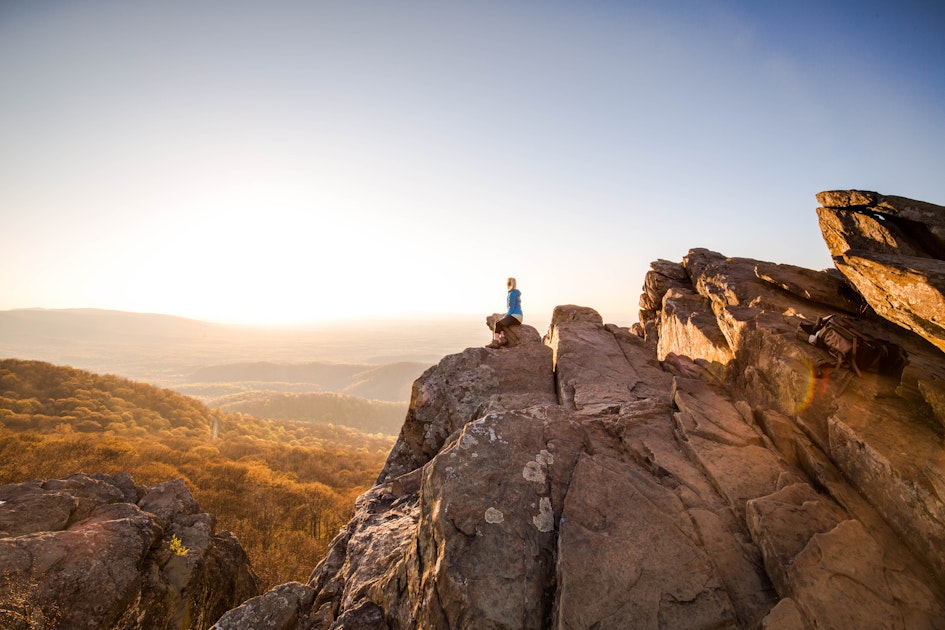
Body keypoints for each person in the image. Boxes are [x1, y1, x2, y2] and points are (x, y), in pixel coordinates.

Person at [487, 277, 522, 348]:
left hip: (514, 316)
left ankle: (495, 342)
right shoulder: (516, 293)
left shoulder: (511, 294)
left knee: (498, 323)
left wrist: (505, 316)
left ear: (508, 284)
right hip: (519, 316)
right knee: (502, 323)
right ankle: (502, 338)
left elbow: (511, 308)